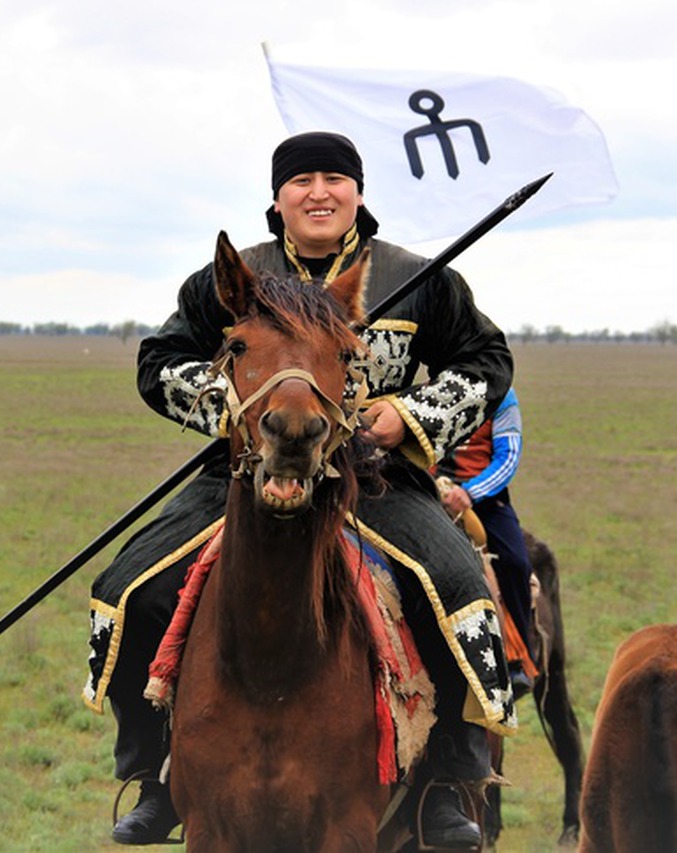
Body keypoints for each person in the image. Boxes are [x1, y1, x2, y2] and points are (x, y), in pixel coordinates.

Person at [83, 131, 516, 848]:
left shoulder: (418, 276)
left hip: (375, 479)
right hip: (243, 474)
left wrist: (405, 415)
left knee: (460, 588)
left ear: (357, 192)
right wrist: (230, 408)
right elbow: (159, 360)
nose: (319, 191)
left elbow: (486, 359)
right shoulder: (230, 280)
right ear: (278, 198)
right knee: (126, 587)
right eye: (302, 179)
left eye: (334, 178)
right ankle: (156, 775)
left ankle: (448, 779)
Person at [436, 387, 539, 696]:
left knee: (515, 562)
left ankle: (518, 659)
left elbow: (508, 458)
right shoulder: (432, 390)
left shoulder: (502, 397)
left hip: (481, 497)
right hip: (429, 493)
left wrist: (469, 492)